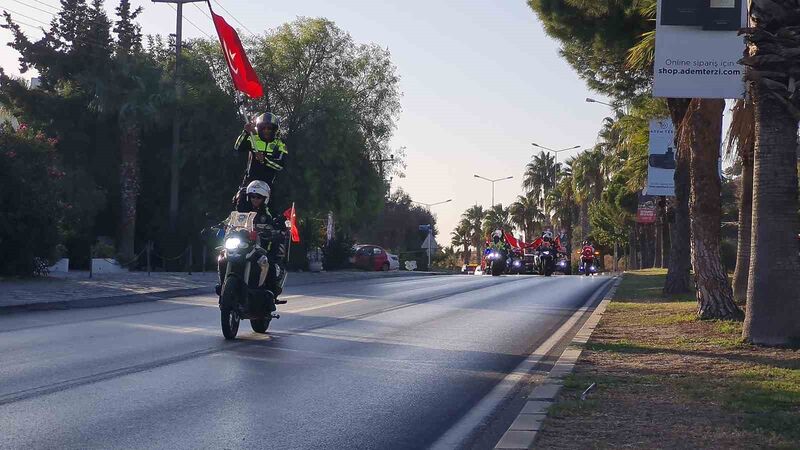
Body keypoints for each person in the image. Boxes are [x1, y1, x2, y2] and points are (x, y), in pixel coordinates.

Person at [217, 180, 288, 303]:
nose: (255, 199)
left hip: (259, 244)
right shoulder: (241, 210)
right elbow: (230, 220)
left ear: (265, 198)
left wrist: (278, 227)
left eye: (258, 197)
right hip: (241, 243)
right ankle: (223, 285)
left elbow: (277, 222)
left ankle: (271, 293)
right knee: (222, 256)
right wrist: (220, 225)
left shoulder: (268, 212)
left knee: (268, 262)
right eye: (252, 196)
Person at [231, 112, 288, 209]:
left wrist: (265, 159)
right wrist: (245, 132)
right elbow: (237, 147)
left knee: (273, 211)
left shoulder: (280, 143)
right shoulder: (253, 138)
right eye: (263, 128)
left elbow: (280, 165)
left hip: (268, 184)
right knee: (239, 202)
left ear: (275, 129)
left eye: (269, 128)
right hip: (249, 181)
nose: (266, 131)